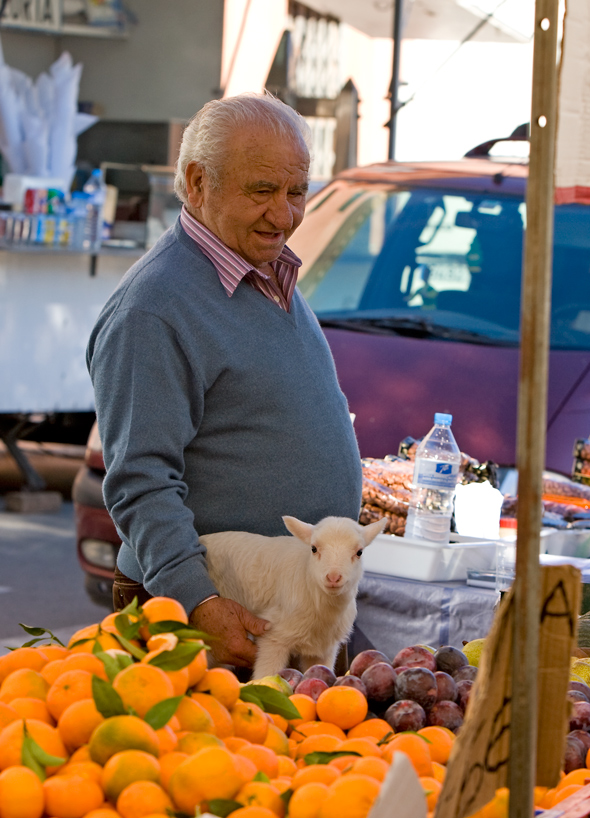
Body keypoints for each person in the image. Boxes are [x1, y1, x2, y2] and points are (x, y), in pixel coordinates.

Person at [87, 93, 363, 669]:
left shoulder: (264, 269)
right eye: (262, 191)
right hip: (214, 613)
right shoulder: (154, 309)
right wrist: (197, 600)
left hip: (284, 604)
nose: (284, 215)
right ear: (196, 182)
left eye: (296, 192)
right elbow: (140, 482)